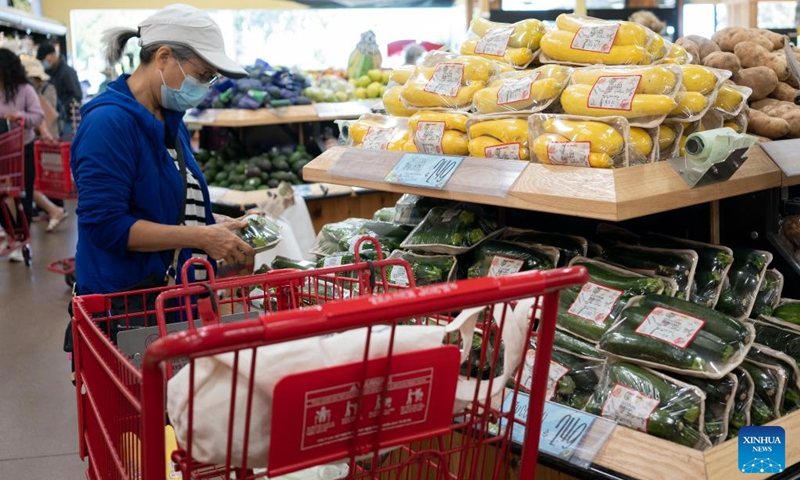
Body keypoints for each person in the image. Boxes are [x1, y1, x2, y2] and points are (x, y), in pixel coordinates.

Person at [70, 3, 255, 298]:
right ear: (164, 57)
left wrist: (209, 221)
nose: (205, 86)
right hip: (127, 307)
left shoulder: (169, 120)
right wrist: (200, 236)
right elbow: (105, 224)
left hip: (170, 300)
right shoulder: (108, 124)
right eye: (203, 74)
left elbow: (159, 204)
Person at [0, 49, 49, 261]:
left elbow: (38, 116)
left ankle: (22, 239)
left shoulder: (25, 89)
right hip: (2, 151)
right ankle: (14, 235)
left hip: (22, 150)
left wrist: (18, 115)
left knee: (24, 195)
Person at [36, 44, 83, 138]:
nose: (44, 63)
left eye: (45, 59)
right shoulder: (49, 73)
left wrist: (60, 110)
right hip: (55, 121)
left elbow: (77, 95)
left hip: (68, 121)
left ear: (53, 55)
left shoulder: (67, 72)